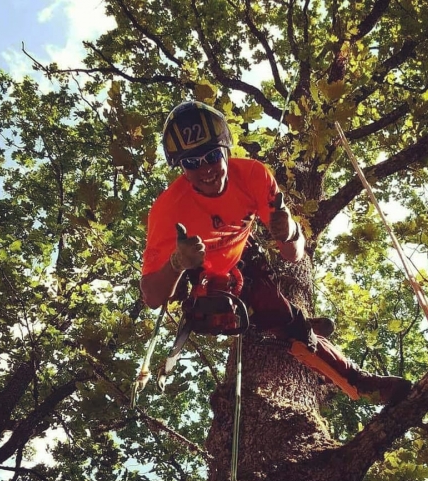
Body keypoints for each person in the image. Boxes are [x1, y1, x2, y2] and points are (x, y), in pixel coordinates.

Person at [140, 100, 412, 404]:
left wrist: (290, 231)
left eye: (213, 155)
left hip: (243, 255)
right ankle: (351, 377)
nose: (205, 169)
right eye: (191, 162)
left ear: (226, 149)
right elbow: (152, 297)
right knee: (226, 303)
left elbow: (293, 255)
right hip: (198, 268)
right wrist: (177, 262)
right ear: (180, 166)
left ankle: (351, 378)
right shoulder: (167, 211)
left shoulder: (254, 176)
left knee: (288, 322)